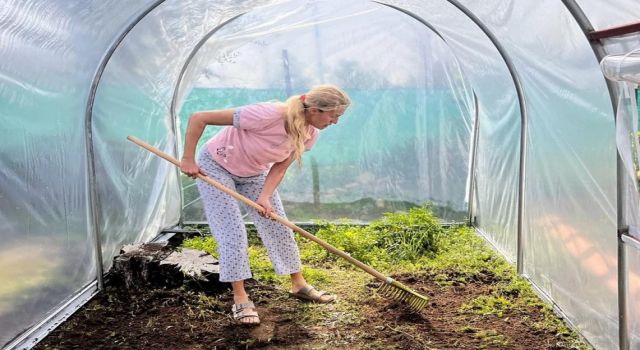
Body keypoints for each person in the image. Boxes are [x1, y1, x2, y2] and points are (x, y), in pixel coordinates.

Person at [180, 84, 351, 325]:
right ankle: (240, 298)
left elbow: (280, 166)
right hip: (217, 166)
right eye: (335, 115)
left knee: (279, 225)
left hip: (253, 172)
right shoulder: (266, 114)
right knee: (232, 231)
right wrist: (187, 158)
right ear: (315, 110)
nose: (335, 121)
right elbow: (200, 117)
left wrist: (265, 197)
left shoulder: (310, 132)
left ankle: (298, 284)